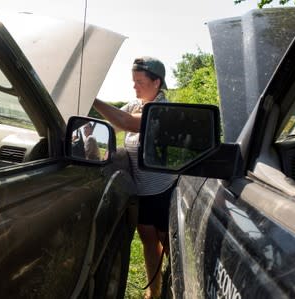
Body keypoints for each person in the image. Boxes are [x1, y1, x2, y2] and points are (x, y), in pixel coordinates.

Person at [93, 56, 177, 299]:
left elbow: (126, 123)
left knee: (168, 245)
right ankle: (155, 290)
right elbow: (115, 124)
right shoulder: (135, 104)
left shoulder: (162, 109)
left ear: (156, 82)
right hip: (141, 190)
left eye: (139, 81)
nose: (134, 86)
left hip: (162, 191)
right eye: (133, 81)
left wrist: (92, 98)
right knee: (148, 240)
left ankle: (178, 286)